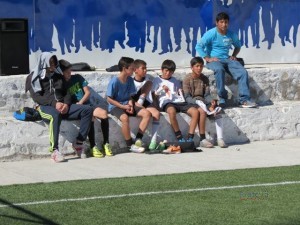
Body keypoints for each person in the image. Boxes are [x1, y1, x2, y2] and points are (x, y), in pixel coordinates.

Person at [26, 52, 93, 162]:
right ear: (44, 63)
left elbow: (66, 93)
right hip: (44, 107)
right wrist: (54, 104)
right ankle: (54, 151)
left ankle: (78, 143)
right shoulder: (33, 77)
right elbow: (37, 97)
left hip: (62, 106)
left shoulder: (58, 76)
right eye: (51, 64)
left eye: (54, 64)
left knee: (88, 110)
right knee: (55, 115)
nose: (53, 66)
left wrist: (66, 104)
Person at [195, 12, 256, 108]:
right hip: (214, 61)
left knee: (243, 72)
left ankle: (244, 100)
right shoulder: (211, 33)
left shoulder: (231, 34)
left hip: (227, 59)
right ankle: (222, 97)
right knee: (219, 69)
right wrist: (208, 58)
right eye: (221, 22)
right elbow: (198, 46)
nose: (224, 24)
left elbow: (238, 46)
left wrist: (234, 55)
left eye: (226, 22)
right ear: (217, 23)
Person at [59, 59, 113, 158]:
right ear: (61, 72)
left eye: (70, 71)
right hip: (76, 108)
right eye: (67, 72)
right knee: (91, 116)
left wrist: (81, 102)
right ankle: (93, 146)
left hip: (86, 104)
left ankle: (106, 143)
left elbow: (87, 92)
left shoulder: (77, 78)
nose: (69, 73)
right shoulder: (60, 83)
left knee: (104, 114)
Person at [152, 59, 199, 154]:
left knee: (195, 112)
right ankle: (179, 137)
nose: (168, 73)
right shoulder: (156, 80)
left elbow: (179, 94)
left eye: (171, 71)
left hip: (179, 102)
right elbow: (154, 94)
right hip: (166, 102)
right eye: (166, 71)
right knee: (171, 111)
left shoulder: (175, 80)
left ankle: (190, 138)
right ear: (162, 70)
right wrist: (162, 89)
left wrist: (180, 92)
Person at [106, 57, 151, 153]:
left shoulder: (130, 80)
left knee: (146, 113)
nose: (134, 70)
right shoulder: (115, 81)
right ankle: (130, 145)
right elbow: (109, 99)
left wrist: (130, 104)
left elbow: (130, 96)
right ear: (124, 68)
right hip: (116, 106)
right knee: (125, 118)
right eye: (132, 68)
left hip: (127, 104)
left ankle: (138, 139)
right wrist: (122, 107)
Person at [183, 57, 228, 148]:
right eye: (197, 66)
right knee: (202, 111)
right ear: (192, 67)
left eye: (201, 66)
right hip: (192, 102)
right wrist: (197, 102)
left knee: (217, 111)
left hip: (203, 101)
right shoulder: (187, 79)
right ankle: (202, 139)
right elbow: (187, 97)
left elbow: (206, 95)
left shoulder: (204, 78)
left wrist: (211, 101)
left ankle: (220, 139)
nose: (199, 68)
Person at [132, 59, 163, 152]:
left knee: (156, 114)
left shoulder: (148, 80)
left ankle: (153, 142)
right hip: (134, 101)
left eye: (146, 68)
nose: (145, 70)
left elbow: (153, 93)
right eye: (143, 68)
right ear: (135, 70)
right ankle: (138, 139)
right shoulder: (130, 81)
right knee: (147, 114)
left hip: (144, 101)